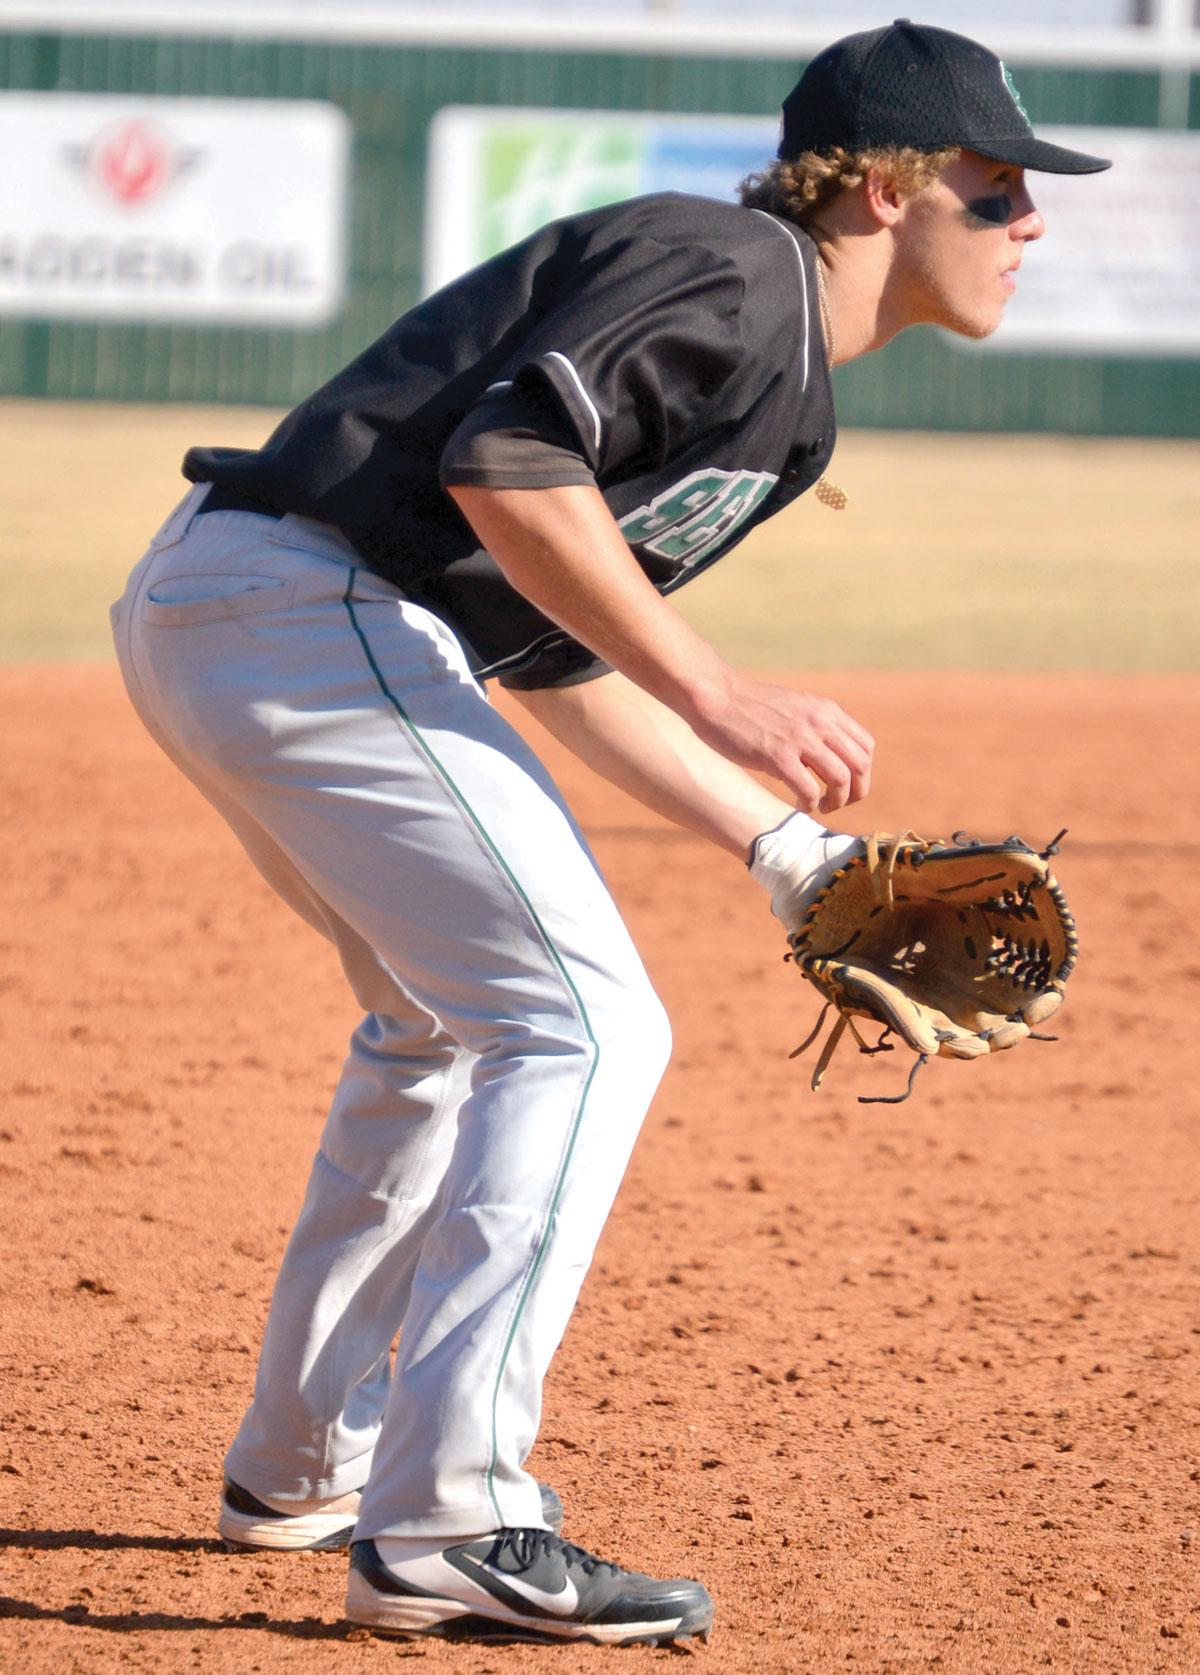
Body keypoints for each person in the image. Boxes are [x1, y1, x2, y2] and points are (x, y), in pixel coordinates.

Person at [110, 19, 1108, 1648]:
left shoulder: (793, 409)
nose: (1029, 224)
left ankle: (306, 1467)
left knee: (444, 1024)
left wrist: (790, 856)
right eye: (995, 191)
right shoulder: (730, 267)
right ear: (877, 191)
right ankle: (451, 1524)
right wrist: (725, 694)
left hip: (273, 611)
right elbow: (508, 467)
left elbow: (545, 643)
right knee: (579, 1023)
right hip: (305, 606)